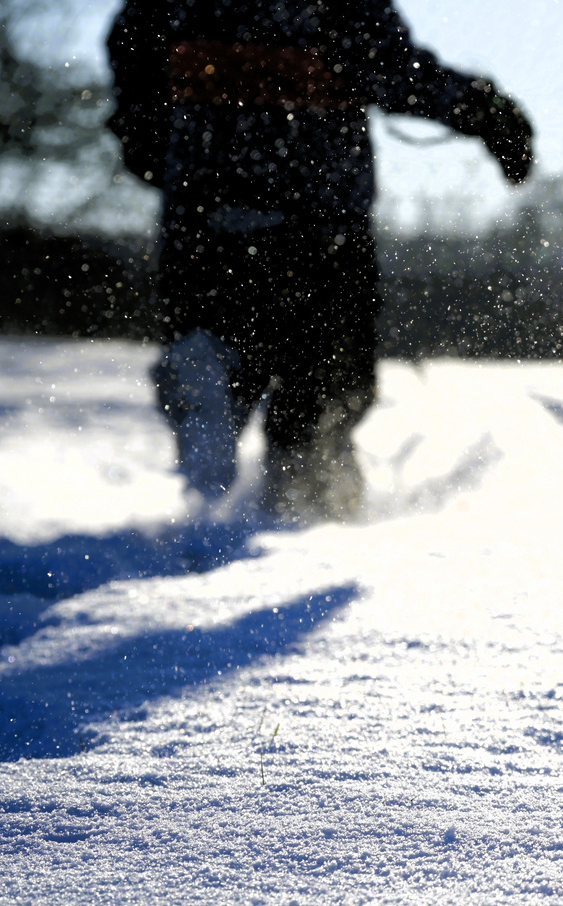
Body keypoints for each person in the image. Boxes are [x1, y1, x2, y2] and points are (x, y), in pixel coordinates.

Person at [107, 0, 533, 521]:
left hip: (203, 210)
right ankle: (306, 506)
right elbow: (393, 70)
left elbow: (133, 40)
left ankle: (206, 376)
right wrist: (487, 110)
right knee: (326, 376)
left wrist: (141, 125)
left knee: (216, 326)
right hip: (314, 216)